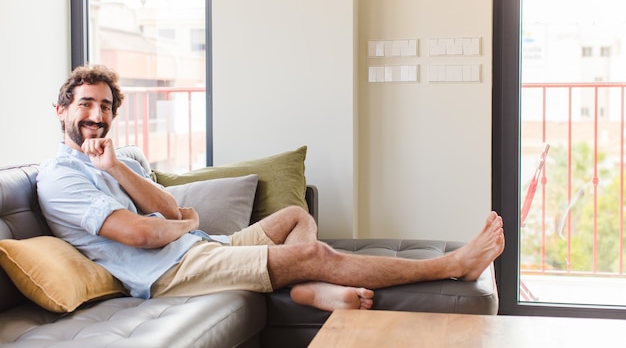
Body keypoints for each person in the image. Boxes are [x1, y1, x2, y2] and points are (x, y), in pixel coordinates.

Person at [37, 64, 505, 312]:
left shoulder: (112, 160)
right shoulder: (59, 177)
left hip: (198, 247)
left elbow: (166, 208)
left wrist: (119, 168)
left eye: (104, 106)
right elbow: (141, 234)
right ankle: (453, 265)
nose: (96, 116)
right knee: (315, 251)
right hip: (168, 275)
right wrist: (187, 223)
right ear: (61, 110)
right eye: (84, 104)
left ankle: (307, 290)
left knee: (295, 217)